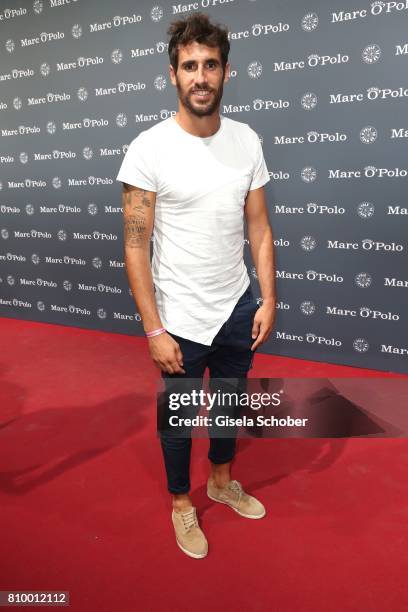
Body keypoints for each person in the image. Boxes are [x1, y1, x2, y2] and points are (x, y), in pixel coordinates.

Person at [116, 12, 276, 559]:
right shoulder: (148, 149)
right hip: (178, 317)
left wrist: (268, 297)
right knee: (179, 422)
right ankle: (183, 504)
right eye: (190, 66)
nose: (200, 76)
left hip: (236, 306)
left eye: (210, 64)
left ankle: (221, 481)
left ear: (226, 71)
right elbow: (136, 246)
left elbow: (258, 226)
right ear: (173, 75)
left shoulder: (247, 140)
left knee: (229, 405)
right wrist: (153, 327)